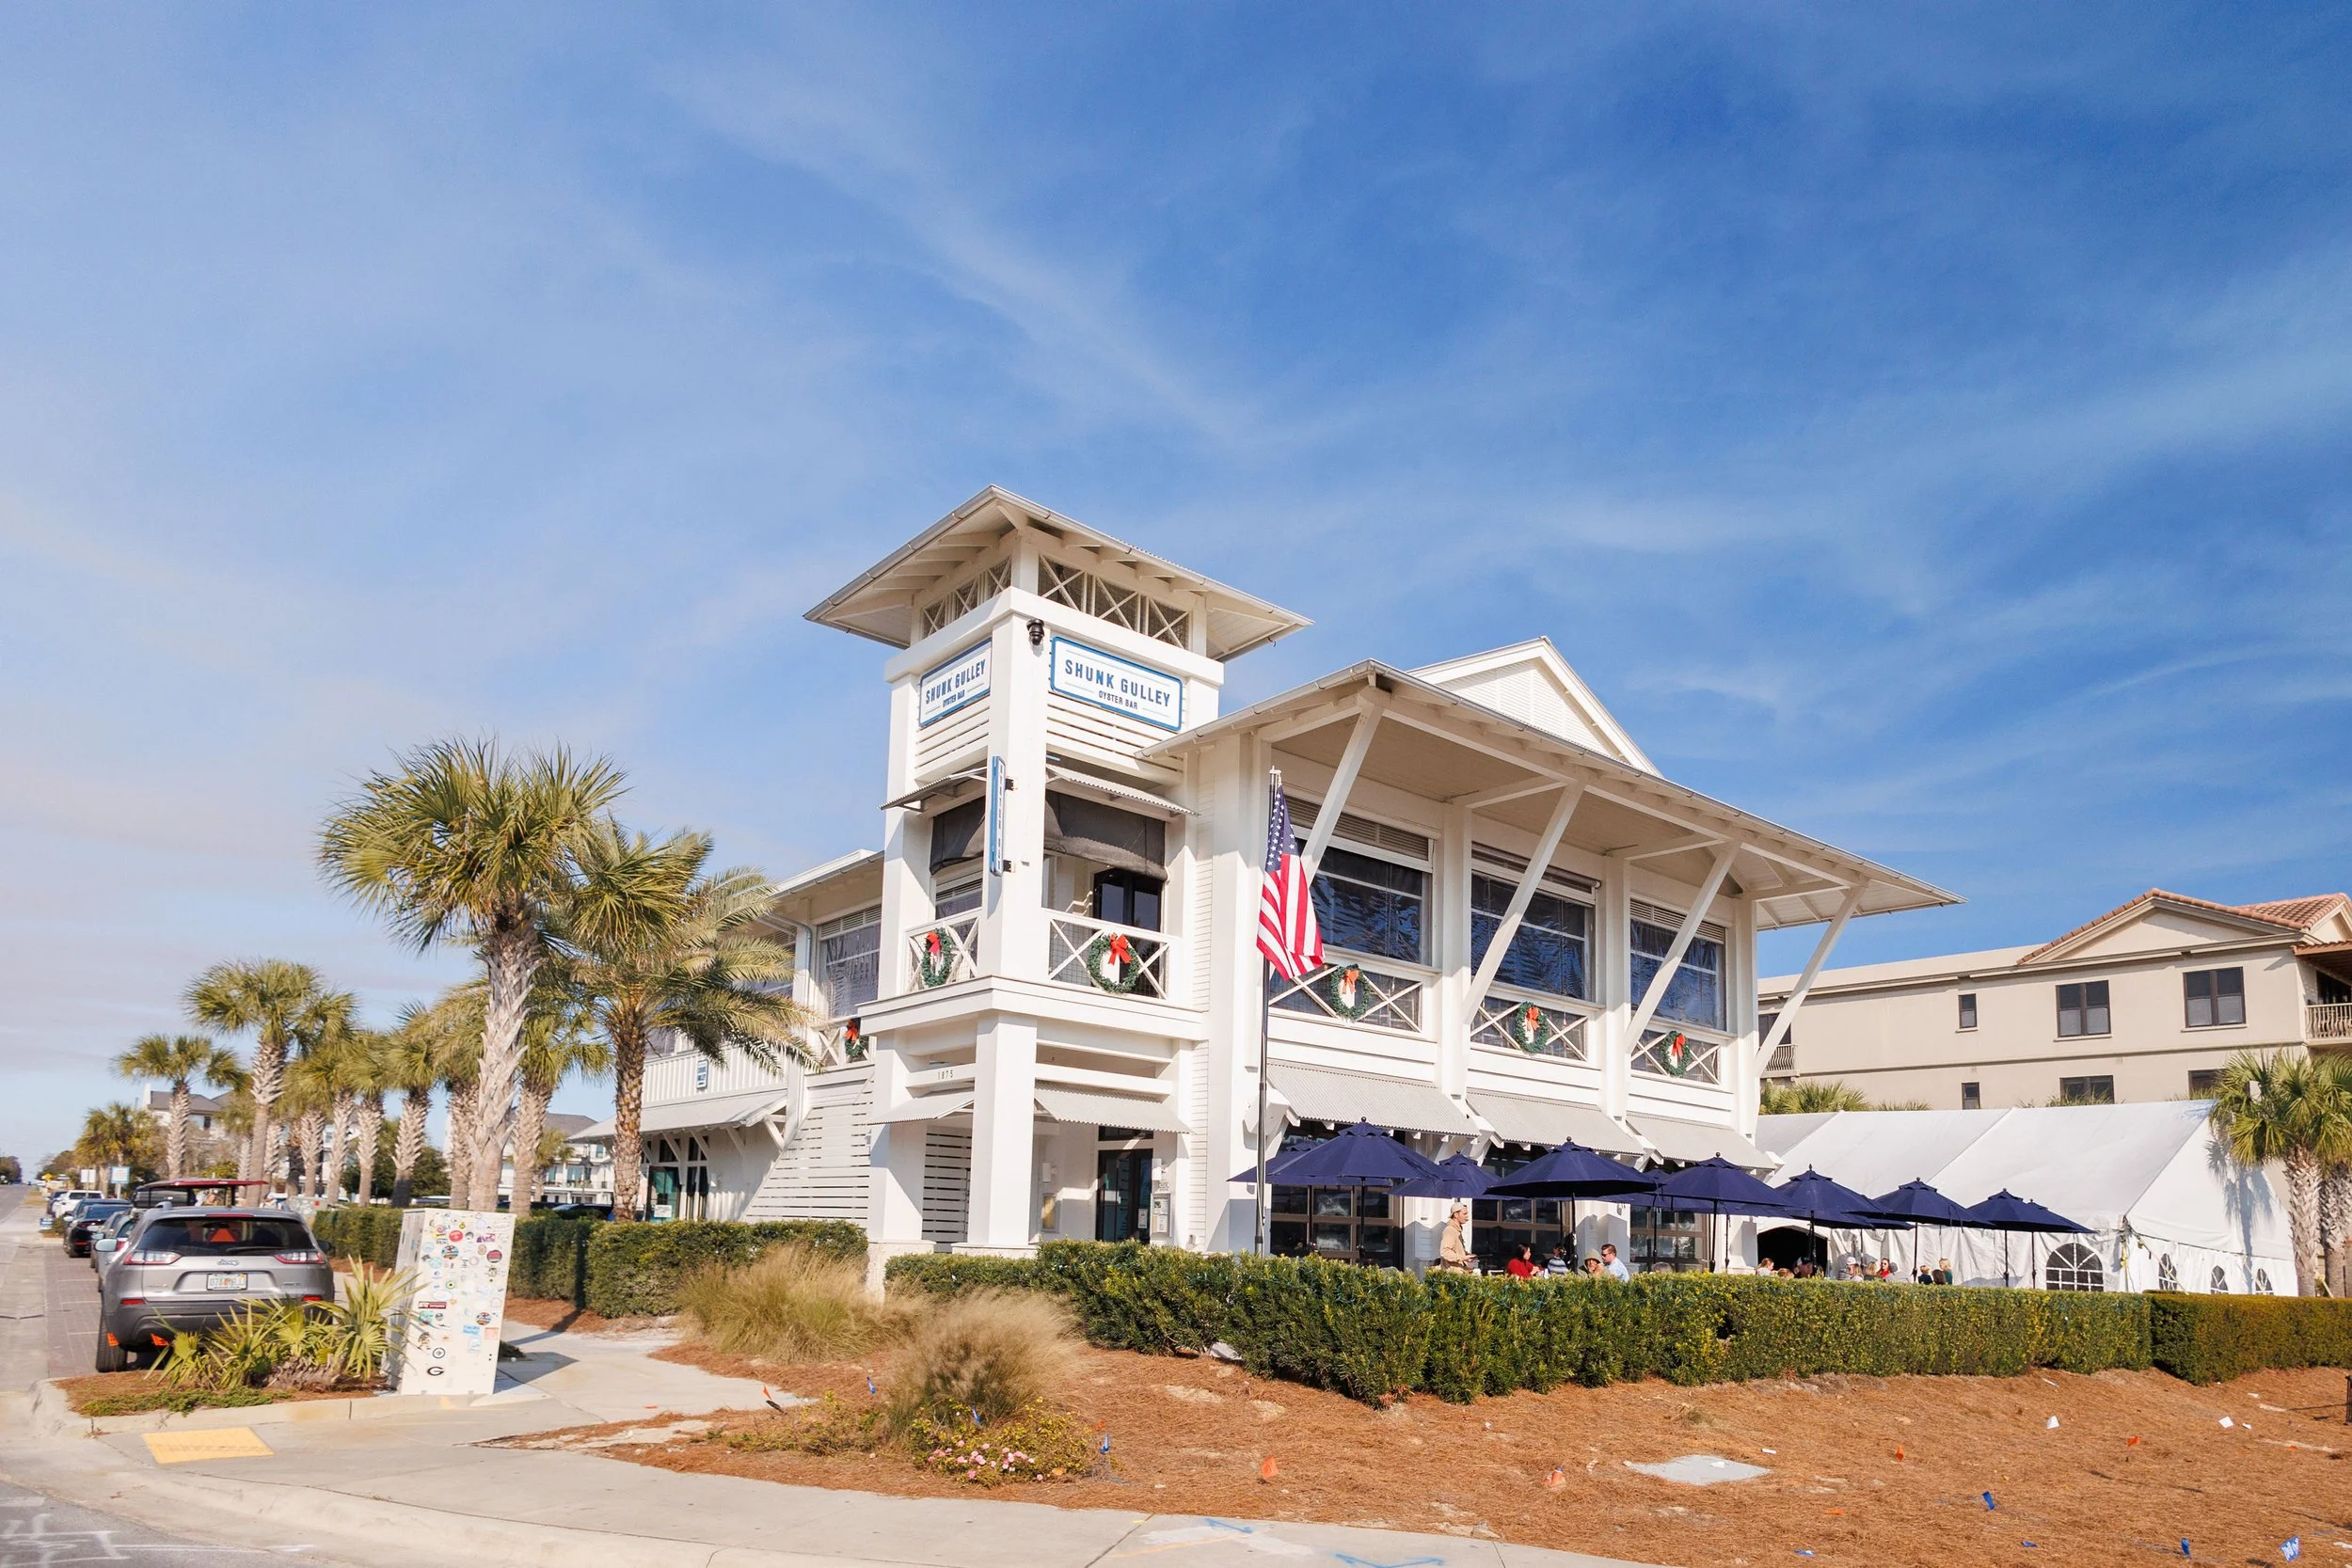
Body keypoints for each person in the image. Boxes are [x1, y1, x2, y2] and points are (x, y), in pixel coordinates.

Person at [1435, 1204, 1473, 1273]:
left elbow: (1456, 1250)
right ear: (1456, 1214)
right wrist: (1463, 1258)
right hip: (1452, 1274)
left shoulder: (1457, 1230)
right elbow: (1445, 1252)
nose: (1467, 1216)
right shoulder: (1450, 1230)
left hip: (1459, 1273)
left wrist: (1467, 1255)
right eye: (1464, 1214)